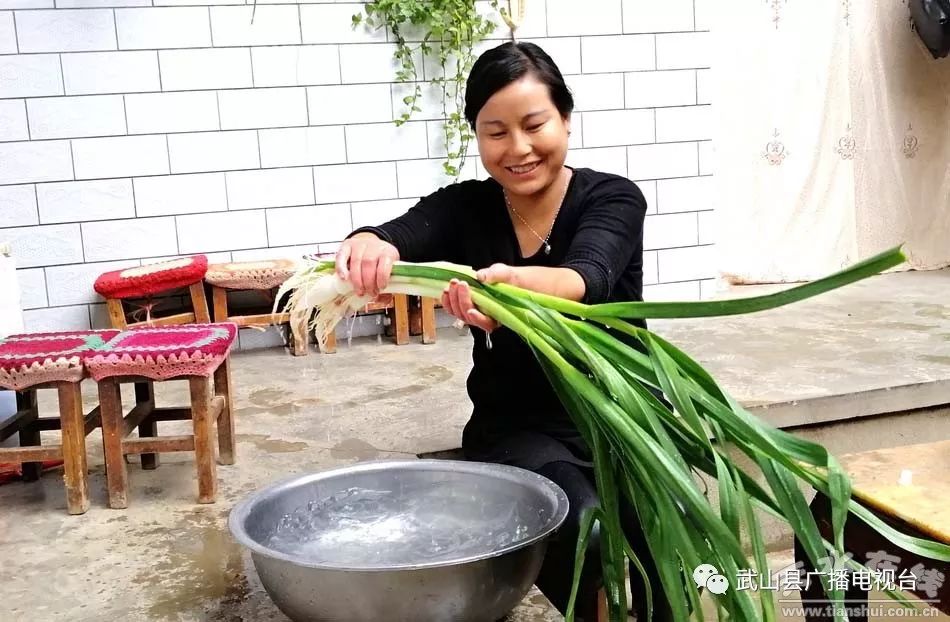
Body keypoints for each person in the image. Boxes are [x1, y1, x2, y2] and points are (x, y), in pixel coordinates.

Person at [335, 41, 670, 621]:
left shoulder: (613, 198)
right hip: (520, 425)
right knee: (584, 526)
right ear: (477, 135)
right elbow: (400, 234)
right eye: (495, 132)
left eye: (534, 124)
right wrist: (368, 241)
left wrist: (507, 288)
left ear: (565, 118)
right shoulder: (466, 208)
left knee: (663, 551)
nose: (518, 149)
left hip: (624, 416)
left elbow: (583, 277)